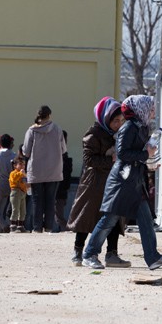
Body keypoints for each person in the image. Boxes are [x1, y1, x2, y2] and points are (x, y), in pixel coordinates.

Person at [82, 95, 162, 270]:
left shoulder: (141, 127)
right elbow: (123, 154)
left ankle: (153, 257)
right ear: (141, 109)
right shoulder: (129, 127)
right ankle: (89, 254)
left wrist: (149, 162)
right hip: (121, 182)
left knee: (146, 220)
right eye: (151, 108)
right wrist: (145, 155)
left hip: (133, 181)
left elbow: (137, 153)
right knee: (109, 219)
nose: (153, 111)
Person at [67, 97, 129, 267]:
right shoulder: (93, 134)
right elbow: (89, 160)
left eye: (121, 120)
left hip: (112, 181)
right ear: (105, 118)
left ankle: (112, 253)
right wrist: (111, 160)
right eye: (115, 120)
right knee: (87, 217)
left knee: (114, 216)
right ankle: (78, 251)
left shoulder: (116, 134)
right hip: (94, 183)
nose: (118, 124)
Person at [22, 105, 66, 233]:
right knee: (50, 199)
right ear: (49, 115)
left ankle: (37, 228)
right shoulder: (57, 129)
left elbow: (26, 151)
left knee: (37, 200)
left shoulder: (32, 130)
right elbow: (63, 149)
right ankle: (48, 227)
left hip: (36, 170)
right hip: (54, 169)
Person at [54, 131, 73, 232]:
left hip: (58, 189)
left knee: (58, 215)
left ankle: (67, 229)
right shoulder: (65, 158)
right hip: (62, 189)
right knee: (57, 214)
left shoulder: (59, 157)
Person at [8, 157, 28, 232]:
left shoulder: (23, 174)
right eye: (20, 164)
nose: (22, 166)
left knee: (23, 211)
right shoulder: (13, 173)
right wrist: (21, 173)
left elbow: (25, 182)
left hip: (23, 192)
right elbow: (14, 179)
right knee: (15, 209)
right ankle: (13, 226)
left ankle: (21, 226)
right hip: (15, 192)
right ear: (15, 165)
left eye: (24, 164)